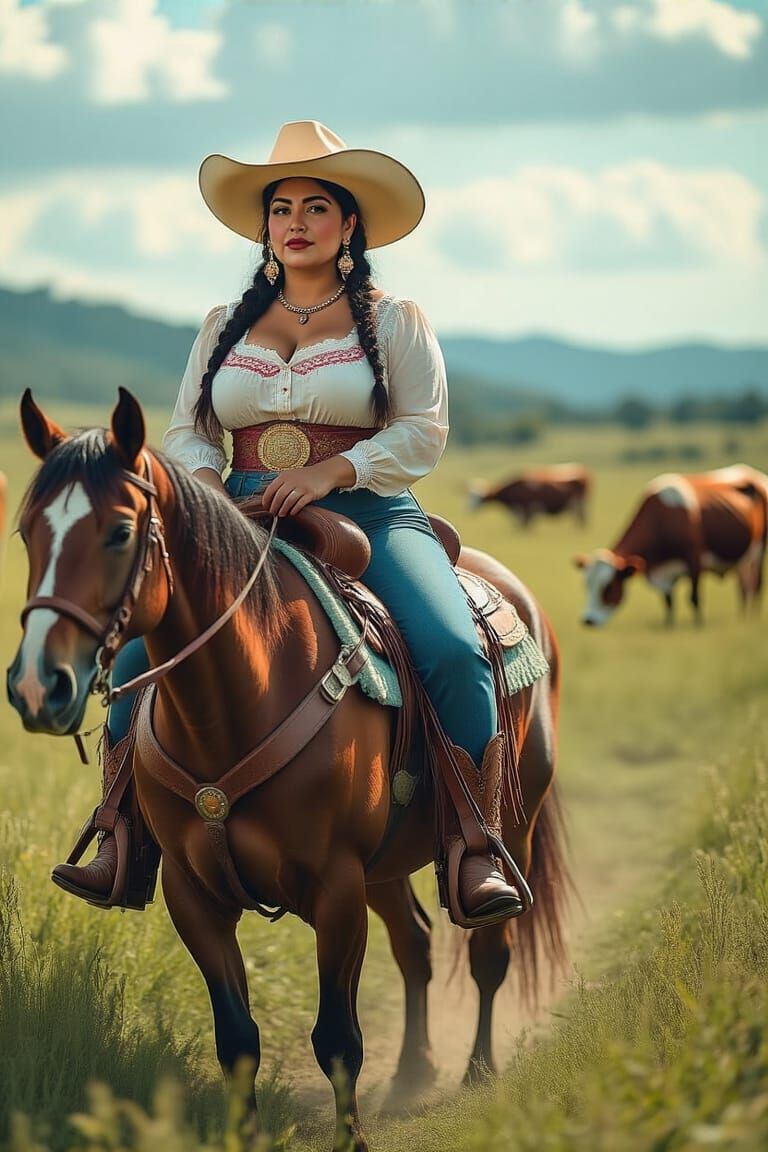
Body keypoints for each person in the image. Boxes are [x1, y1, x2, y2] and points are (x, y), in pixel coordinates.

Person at [52, 121, 523, 927]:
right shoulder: (221, 326)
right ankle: (120, 836)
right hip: (233, 517)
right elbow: (188, 429)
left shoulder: (395, 318)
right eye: (280, 208)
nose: (295, 221)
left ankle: (473, 843)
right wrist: (203, 492)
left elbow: (422, 431)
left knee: (449, 645)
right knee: (135, 654)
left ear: (348, 226)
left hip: (368, 512)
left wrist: (329, 472)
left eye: (314, 206)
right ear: (265, 228)